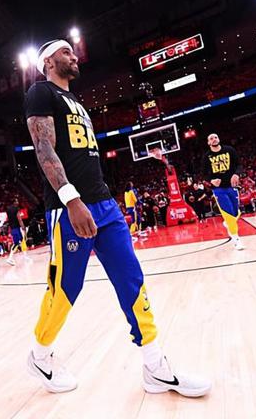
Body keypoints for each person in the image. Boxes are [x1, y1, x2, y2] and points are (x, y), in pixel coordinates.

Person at [23, 38, 210, 396]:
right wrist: (71, 198)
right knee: (66, 287)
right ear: (47, 61)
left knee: (131, 279)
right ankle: (40, 354)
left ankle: (155, 366)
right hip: (69, 206)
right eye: (65, 52)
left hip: (105, 205)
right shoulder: (40, 92)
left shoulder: (77, 102)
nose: (73, 56)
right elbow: (44, 147)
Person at [201, 133, 244, 250]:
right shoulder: (206, 157)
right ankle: (236, 239)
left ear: (219, 139)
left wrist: (236, 174)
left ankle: (228, 223)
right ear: (208, 143)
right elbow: (204, 174)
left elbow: (239, 165)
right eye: (211, 138)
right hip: (218, 189)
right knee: (228, 214)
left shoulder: (229, 150)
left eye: (215, 137)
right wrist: (211, 180)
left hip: (232, 185)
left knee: (236, 212)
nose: (214, 139)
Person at [6, 198, 27, 266]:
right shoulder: (16, 209)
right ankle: (10, 258)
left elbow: (8, 219)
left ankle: (25, 257)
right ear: (14, 202)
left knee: (20, 241)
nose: (18, 202)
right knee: (17, 243)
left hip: (12, 228)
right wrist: (23, 227)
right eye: (17, 201)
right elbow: (19, 219)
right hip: (16, 228)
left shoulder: (8, 209)